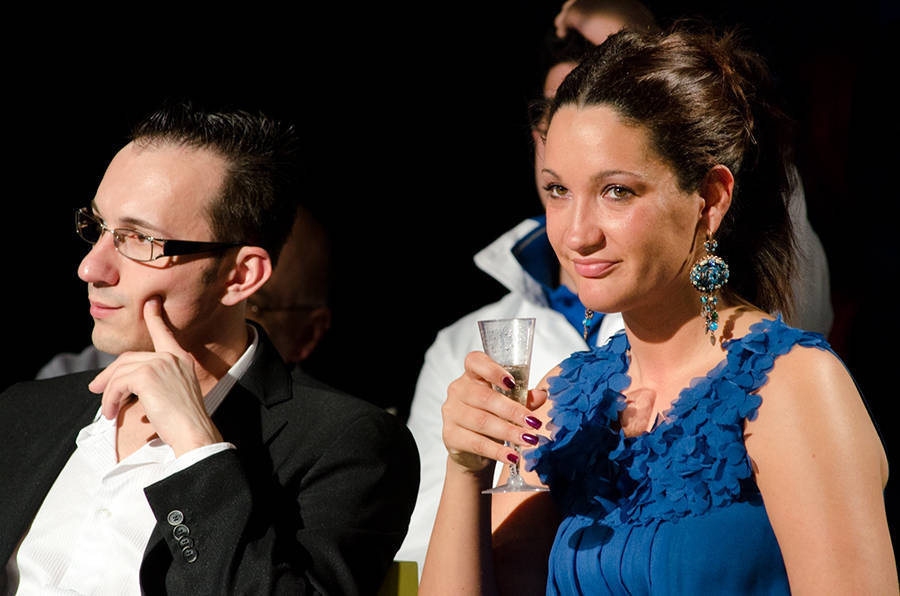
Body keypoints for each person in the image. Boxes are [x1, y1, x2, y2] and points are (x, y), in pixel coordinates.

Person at [420, 25, 896, 596]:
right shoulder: (566, 400)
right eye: (558, 191)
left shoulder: (790, 385)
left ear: (710, 199)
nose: (577, 234)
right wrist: (465, 467)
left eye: (617, 191)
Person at [0, 102, 419, 595]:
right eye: (97, 228)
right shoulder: (24, 411)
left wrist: (196, 448)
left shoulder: (345, 444)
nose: (91, 268)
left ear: (240, 276)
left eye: (139, 239)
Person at [35, 204, 333, 379]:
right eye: (99, 227)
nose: (89, 270)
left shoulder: (334, 438)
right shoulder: (71, 377)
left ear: (307, 335)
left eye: (251, 305)